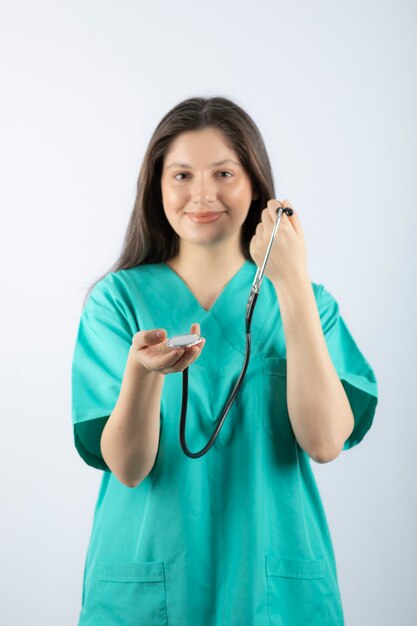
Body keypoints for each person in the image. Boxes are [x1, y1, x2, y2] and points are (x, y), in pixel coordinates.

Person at [71, 96, 378, 626]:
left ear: (256, 185)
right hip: (148, 585)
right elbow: (127, 466)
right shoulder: (117, 303)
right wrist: (144, 377)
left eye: (224, 173)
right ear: (157, 186)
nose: (203, 194)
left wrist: (293, 284)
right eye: (182, 174)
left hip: (273, 591)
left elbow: (326, 443)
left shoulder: (309, 303)